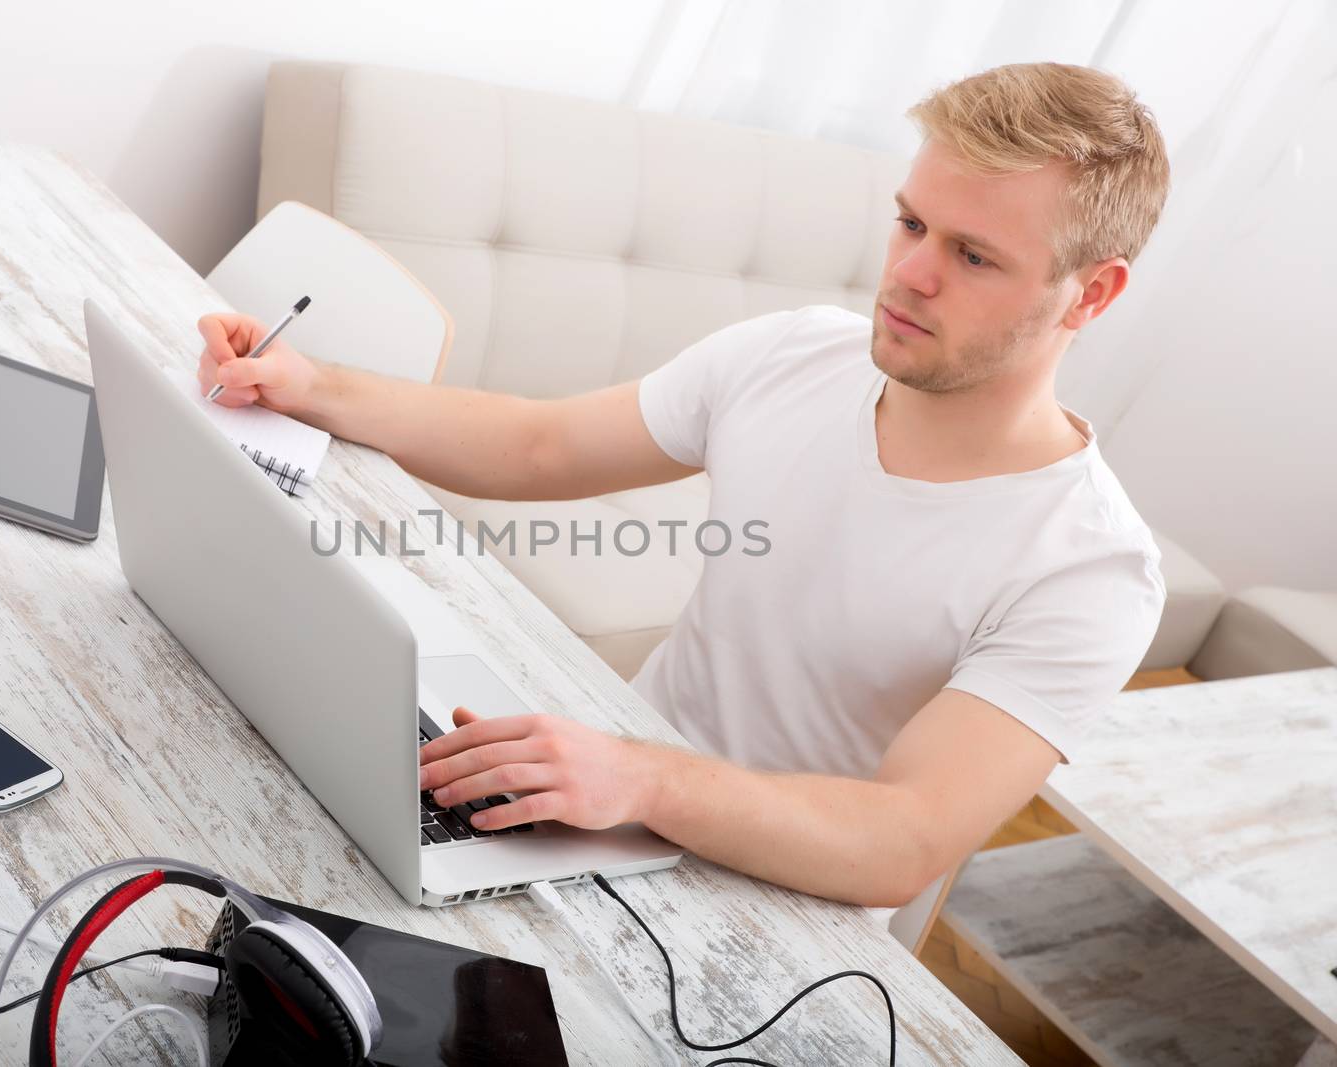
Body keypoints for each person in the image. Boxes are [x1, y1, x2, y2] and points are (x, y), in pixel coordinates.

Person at [193, 62, 1169, 910]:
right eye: (911, 223)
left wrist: (644, 780)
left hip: (773, 900)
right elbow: (537, 444)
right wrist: (315, 387)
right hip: (595, 803)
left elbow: (903, 841)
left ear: (1090, 293)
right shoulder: (795, 354)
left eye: (971, 255)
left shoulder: (1089, 570)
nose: (908, 275)